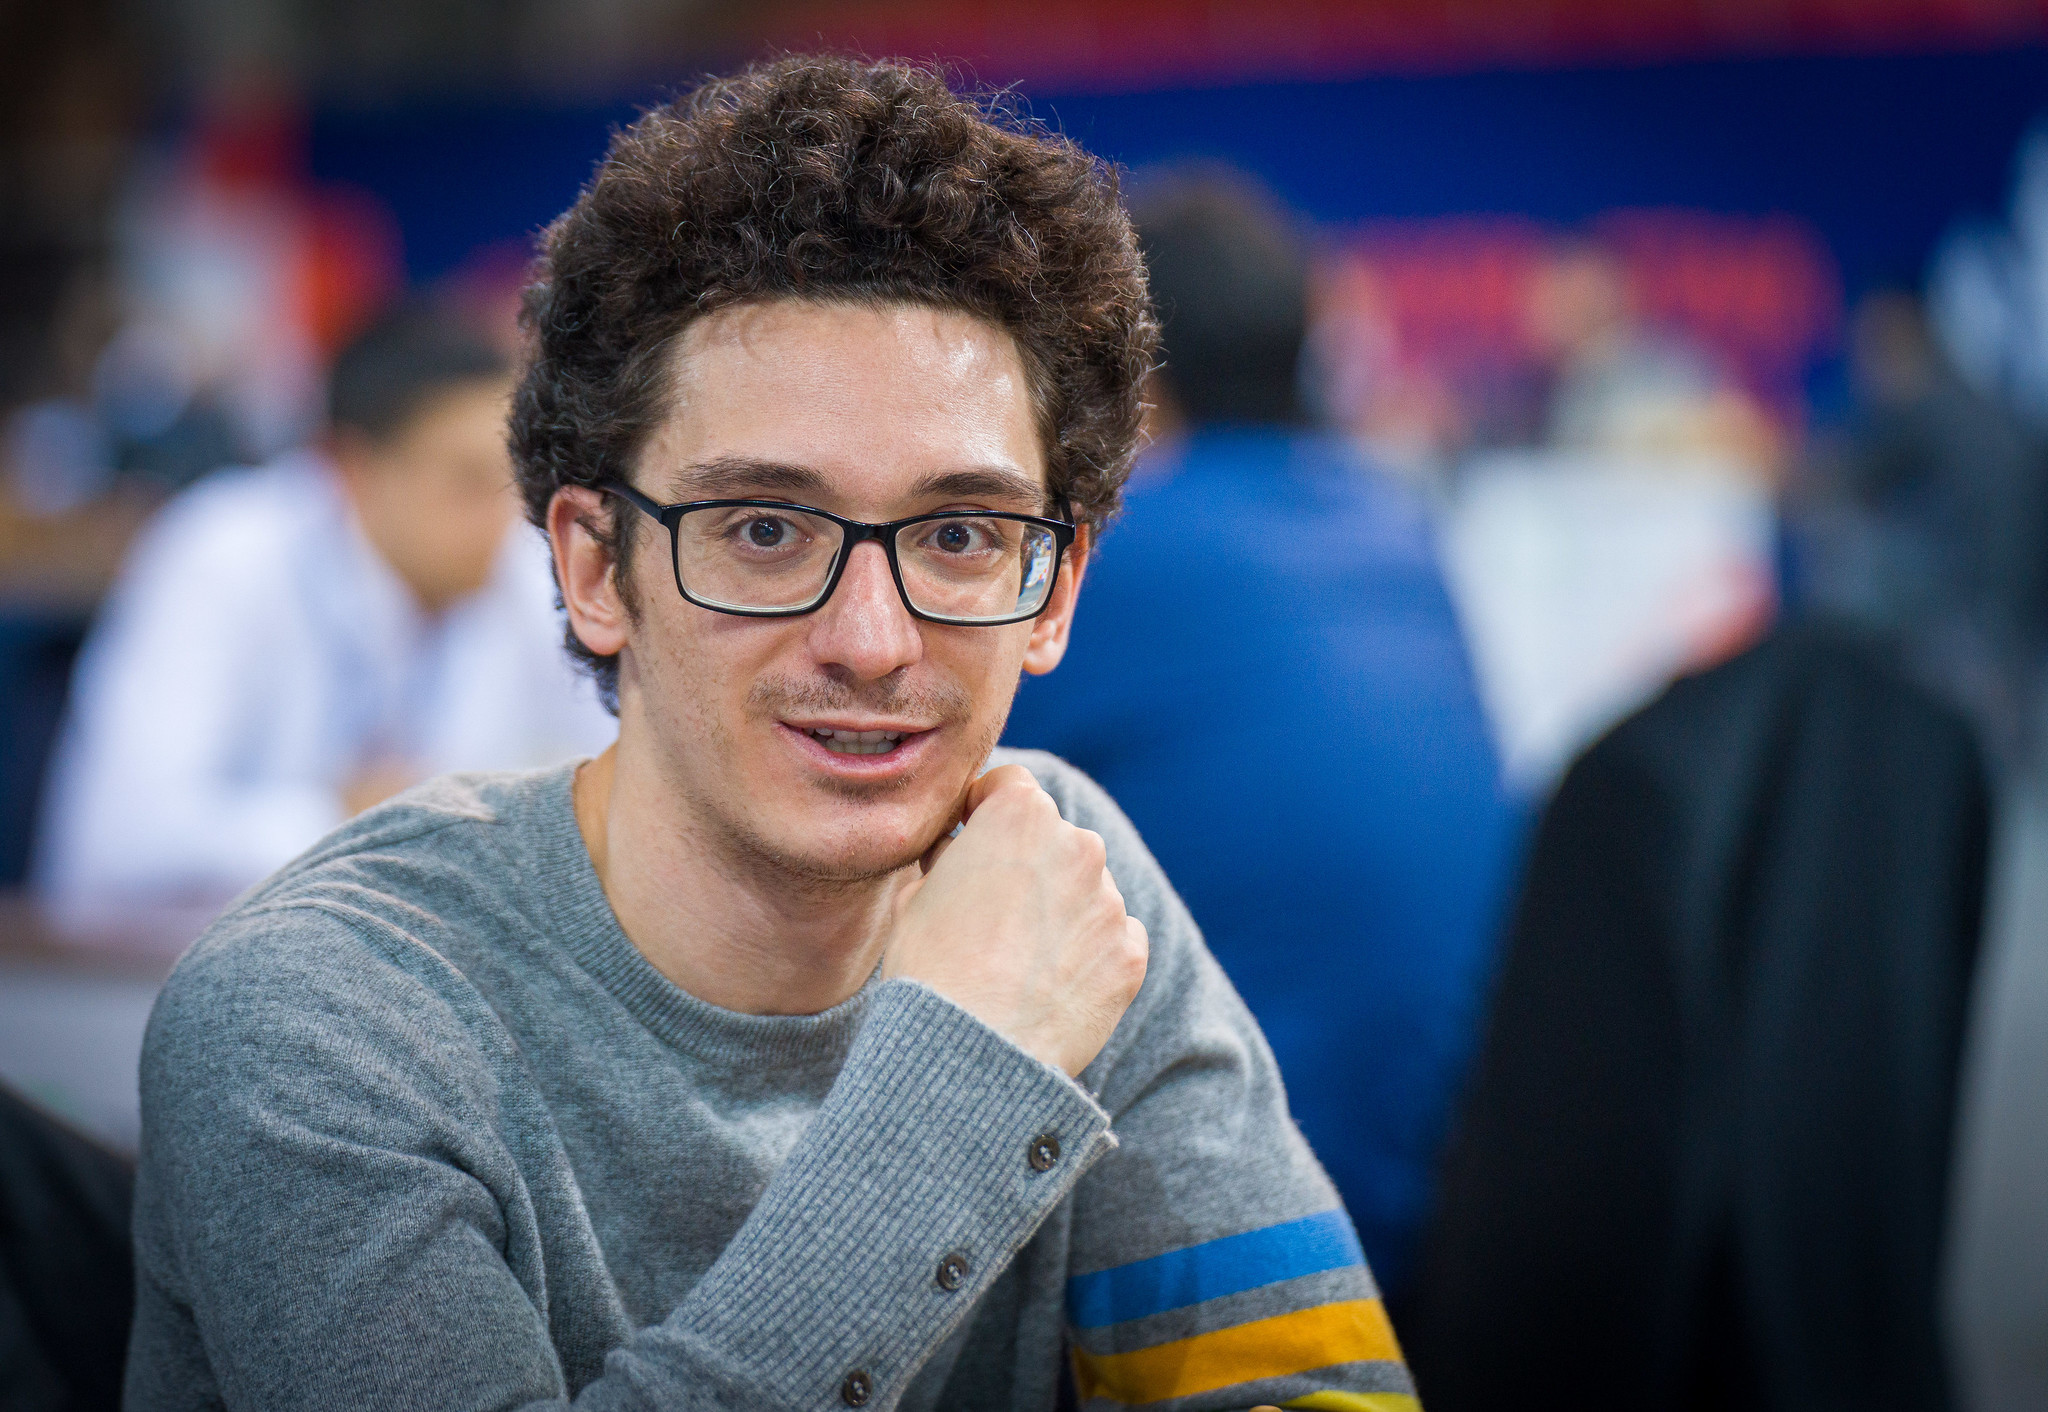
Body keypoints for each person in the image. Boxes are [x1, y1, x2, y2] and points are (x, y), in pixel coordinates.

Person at [122, 58, 1418, 1410]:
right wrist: (960, 1083)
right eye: (762, 529)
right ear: (592, 567)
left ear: (1058, 593)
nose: (870, 639)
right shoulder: (320, 1020)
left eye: (963, 535)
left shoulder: (1063, 882)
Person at [1001, 170, 1520, 1296]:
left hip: (1260, 1228)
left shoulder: (1113, 567)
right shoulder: (1395, 527)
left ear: (1123, 378)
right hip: (1470, 1210)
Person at [33, 306, 616, 905]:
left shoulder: (518, 573)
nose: (502, 519)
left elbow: (605, 782)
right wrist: (349, 819)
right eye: (465, 482)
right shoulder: (222, 554)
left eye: (513, 483)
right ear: (352, 470)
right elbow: (114, 845)